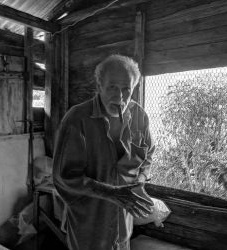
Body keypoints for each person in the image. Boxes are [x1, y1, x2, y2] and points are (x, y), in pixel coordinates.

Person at [53, 54, 155, 250]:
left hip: (123, 220)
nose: (120, 97)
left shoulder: (139, 116)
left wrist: (141, 178)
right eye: (112, 88)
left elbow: (148, 153)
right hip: (88, 221)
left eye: (126, 89)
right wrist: (110, 192)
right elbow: (63, 177)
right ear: (99, 86)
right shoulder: (77, 119)